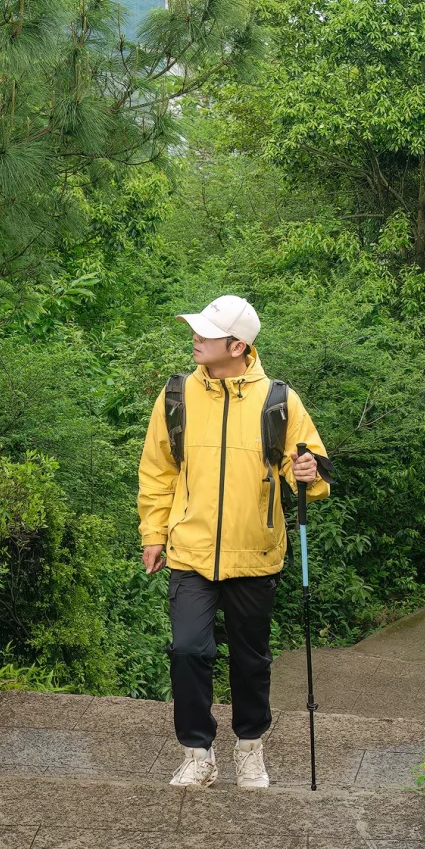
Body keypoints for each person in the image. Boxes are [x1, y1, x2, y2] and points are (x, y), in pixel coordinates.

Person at [137, 294, 331, 789]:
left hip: (256, 552)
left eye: (206, 332)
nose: (195, 338)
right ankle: (197, 753)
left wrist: (307, 472)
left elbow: (311, 469)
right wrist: (153, 533)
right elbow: (158, 471)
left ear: (238, 345)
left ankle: (250, 749)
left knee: (251, 661)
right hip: (190, 550)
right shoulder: (177, 395)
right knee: (187, 651)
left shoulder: (279, 401)